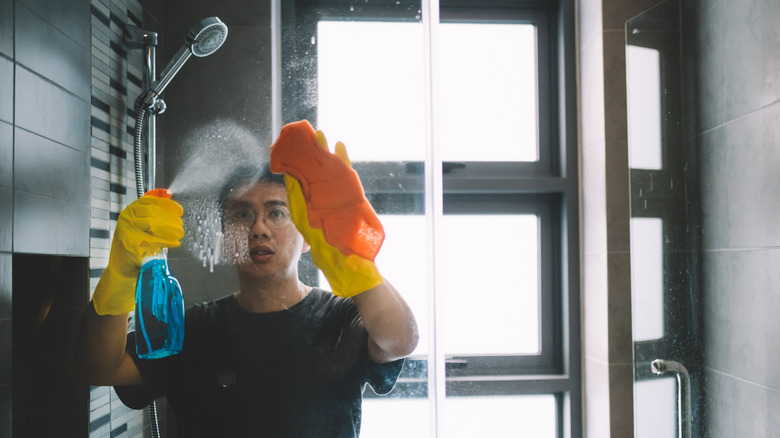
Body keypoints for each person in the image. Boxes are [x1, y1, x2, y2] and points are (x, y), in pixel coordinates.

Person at [74, 121, 419, 437]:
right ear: (225, 238)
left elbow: (400, 340)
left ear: (305, 235)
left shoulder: (341, 318)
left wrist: (360, 271)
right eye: (242, 214)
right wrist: (120, 274)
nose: (258, 229)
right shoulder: (191, 329)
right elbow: (101, 368)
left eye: (276, 213)